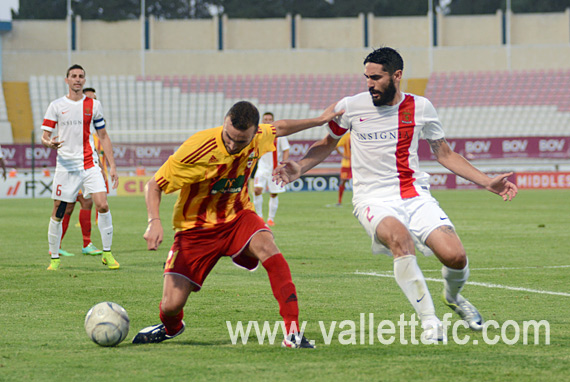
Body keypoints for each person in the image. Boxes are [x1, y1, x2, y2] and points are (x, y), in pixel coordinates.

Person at [273, 47, 518, 343]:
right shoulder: (350, 106)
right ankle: (431, 324)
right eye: (366, 77)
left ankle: (453, 298)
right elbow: (327, 142)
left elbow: (444, 153)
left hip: (415, 195)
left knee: (455, 256)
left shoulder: (422, 107)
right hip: (371, 198)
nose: (369, 83)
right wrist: (299, 166)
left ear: (397, 75)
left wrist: (487, 181)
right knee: (400, 240)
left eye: (376, 77)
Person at [132, 100, 342, 348]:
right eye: (229, 137)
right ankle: (171, 328)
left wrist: (318, 121)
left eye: (240, 141)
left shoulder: (259, 136)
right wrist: (154, 221)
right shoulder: (196, 148)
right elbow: (154, 185)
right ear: (224, 122)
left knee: (269, 249)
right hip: (194, 229)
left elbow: (280, 127)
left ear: (255, 132)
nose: (233, 145)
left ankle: (293, 333)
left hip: (238, 215)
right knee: (171, 305)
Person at [41, 64, 120, 271]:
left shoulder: (93, 105)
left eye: (81, 76)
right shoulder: (56, 105)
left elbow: (103, 136)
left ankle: (107, 253)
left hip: (89, 163)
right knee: (59, 211)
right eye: (74, 76)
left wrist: (112, 166)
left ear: (84, 81)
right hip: (66, 166)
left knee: (102, 205)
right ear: (67, 80)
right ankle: (55, 259)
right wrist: (49, 143)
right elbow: (45, 136)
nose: (77, 79)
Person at [58, 87, 106, 257]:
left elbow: (96, 153)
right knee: (70, 206)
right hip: (75, 170)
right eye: (89, 98)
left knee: (83, 204)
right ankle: (61, 245)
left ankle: (84, 243)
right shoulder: (76, 128)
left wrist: (102, 170)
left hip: (88, 169)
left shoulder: (94, 132)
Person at [253, 112, 290, 226]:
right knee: (257, 190)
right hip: (262, 168)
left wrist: (282, 164)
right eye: (265, 119)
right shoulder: (258, 134)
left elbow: (286, 149)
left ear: (273, 121)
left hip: (275, 169)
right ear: (262, 121)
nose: (268, 121)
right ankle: (259, 217)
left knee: (273, 194)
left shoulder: (280, 135)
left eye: (270, 119)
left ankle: (270, 219)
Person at [336, 132, 351, 206]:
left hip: (348, 163)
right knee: (343, 181)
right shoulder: (359, 136)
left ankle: (339, 201)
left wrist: (342, 155)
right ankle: (339, 201)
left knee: (343, 181)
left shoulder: (346, 136)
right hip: (354, 163)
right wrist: (343, 155)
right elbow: (336, 146)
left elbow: (336, 146)